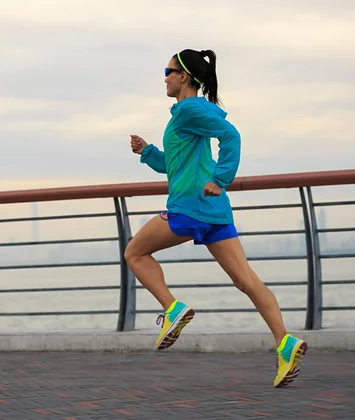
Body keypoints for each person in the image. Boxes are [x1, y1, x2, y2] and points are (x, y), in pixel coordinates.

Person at [125, 48, 307, 388]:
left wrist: (220, 178)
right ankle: (285, 343)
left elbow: (232, 136)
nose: (163, 77)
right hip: (214, 212)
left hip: (190, 207)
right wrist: (148, 152)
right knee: (246, 281)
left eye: (168, 71)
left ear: (184, 77)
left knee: (134, 253)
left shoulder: (188, 109)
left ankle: (172, 308)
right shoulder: (189, 114)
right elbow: (174, 163)